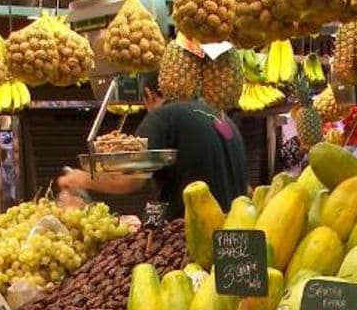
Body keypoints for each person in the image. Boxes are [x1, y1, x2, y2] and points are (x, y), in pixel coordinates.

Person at [57, 85, 249, 218]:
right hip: (237, 235)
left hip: (192, 238)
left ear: (148, 94)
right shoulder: (222, 119)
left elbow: (131, 180)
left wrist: (81, 178)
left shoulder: (162, 118)